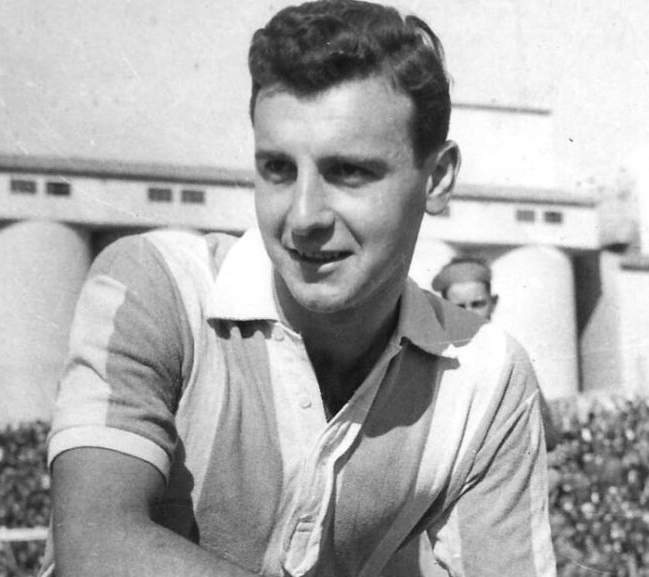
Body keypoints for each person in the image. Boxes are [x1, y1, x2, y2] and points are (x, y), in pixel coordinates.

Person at [42, 1, 555, 576]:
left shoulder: (489, 375)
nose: (304, 216)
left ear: (436, 178)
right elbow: (93, 548)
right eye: (278, 170)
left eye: (349, 172)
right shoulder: (161, 285)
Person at [432, 256, 561, 451]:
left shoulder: (510, 355)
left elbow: (546, 433)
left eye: (478, 304)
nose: (469, 313)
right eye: (459, 307)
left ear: (493, 303)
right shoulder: (433, 359)